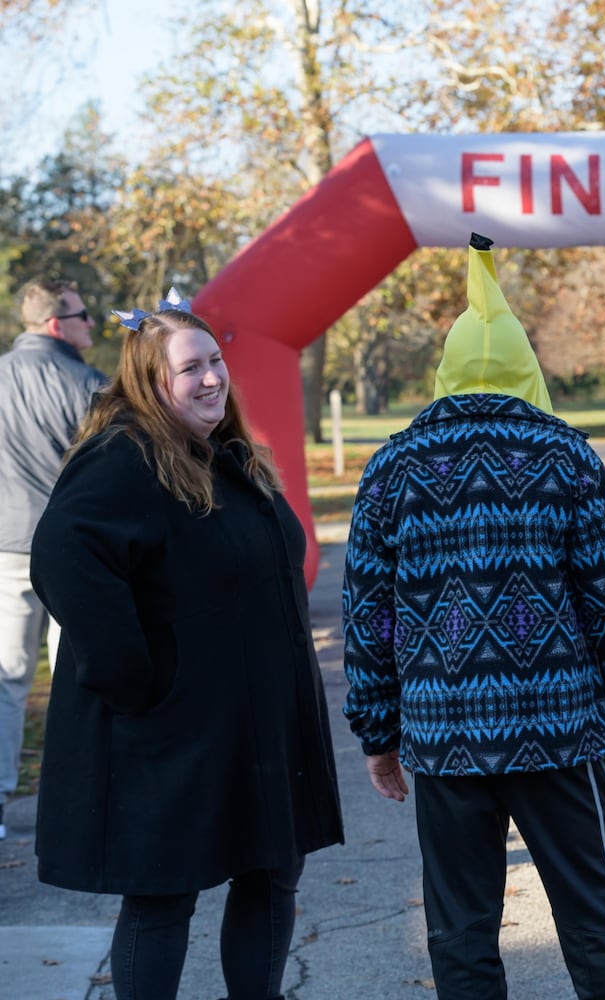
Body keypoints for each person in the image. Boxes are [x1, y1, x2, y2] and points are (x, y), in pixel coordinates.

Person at [342, 233, 605, 1000]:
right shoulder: (567, 455)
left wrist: (378, 733)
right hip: (562, 735)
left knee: (460, 927)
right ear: (529, 369)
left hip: (446, 738)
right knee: (593, 916)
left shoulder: (391, 467)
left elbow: (367, 617)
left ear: (444, 372)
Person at [28, 293, 344, 999]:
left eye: (215, 361)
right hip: (175, 725)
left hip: (258, 722)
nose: (211, 379)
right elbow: (63, 554)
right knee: (163, 893)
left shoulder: (225, 453)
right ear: (149, 381)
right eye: (189, 368)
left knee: (270, 871)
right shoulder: (125, 455)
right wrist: (136, 677)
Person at [0, 278, 105, 840]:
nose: (93, 322)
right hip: (71, 551)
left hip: (6, 546)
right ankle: (76, 801)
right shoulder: (88, 385)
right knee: (77, 677)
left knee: (7, 678)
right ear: (55, 324)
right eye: (83, 313)